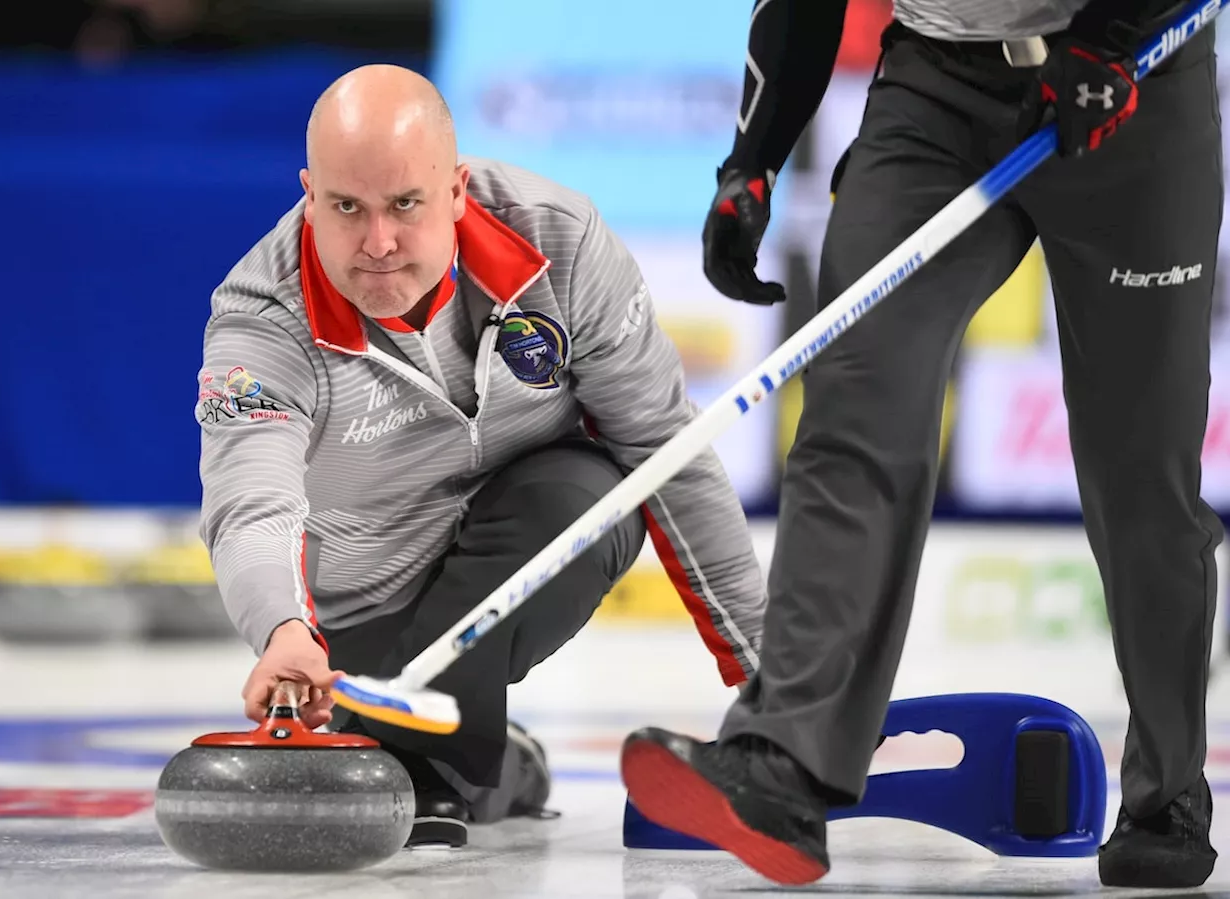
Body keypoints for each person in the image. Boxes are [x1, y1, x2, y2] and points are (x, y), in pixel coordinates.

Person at [621, 0, 1221, 888]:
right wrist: (752, 160)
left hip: (1133, 81)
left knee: (1142, 463)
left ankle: (1167, 789)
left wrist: (1115, 37)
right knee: (857, 397)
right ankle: (786, 760)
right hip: (937, 91)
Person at [194, 64, 766, 849]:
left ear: (458, 188)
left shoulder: (559, 242)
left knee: (589, 491)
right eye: (346, 208)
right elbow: (251, 500)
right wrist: (284, 630)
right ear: (309, 191)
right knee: (409, 727)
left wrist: (767, 669)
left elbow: (666, 448)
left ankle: (429, 757)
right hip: (358, 618)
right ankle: (469, 756)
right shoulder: (262, 316)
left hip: (524, 551)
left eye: (405, 204)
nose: (379, 242)